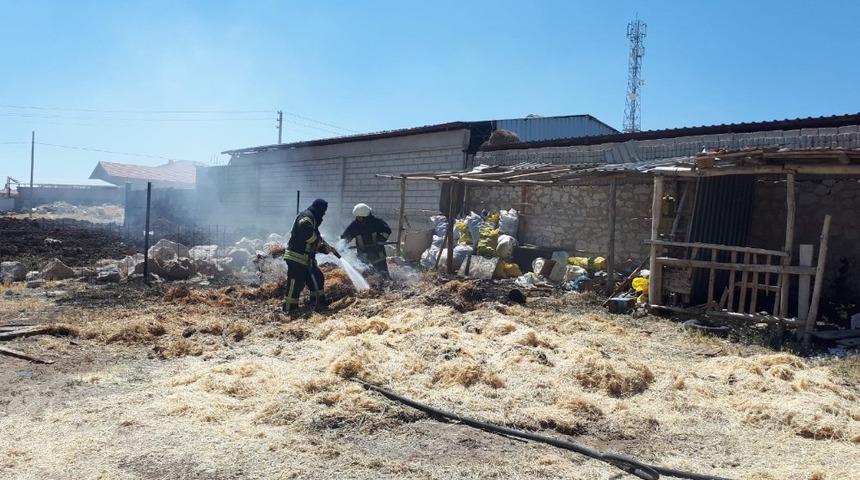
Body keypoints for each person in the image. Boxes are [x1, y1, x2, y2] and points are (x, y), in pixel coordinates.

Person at [283, 199, 333, 314]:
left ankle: (318, 302)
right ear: (319, 210)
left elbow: (313, 243)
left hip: (306, 259)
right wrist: (318, 241)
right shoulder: (307, 217)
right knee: (296, 284)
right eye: (323, 212)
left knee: (317, 278)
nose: (323, 215)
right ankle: (289, 309)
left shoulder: (313, 219)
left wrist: (325, 249)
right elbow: (305, 233)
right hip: (297, 257)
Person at [341, 203, 392, 278]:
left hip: (378, 253)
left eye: (360, 217)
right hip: (363, 255)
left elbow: (387, 231)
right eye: (357, 217)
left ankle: (387, 284)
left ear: (366, 216)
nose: (358, 219)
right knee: (366, 276)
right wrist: (341, 245)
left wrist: (380, 240)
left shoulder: (376, 222)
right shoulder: (354, 226)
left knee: (383, 274)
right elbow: (345, 237)